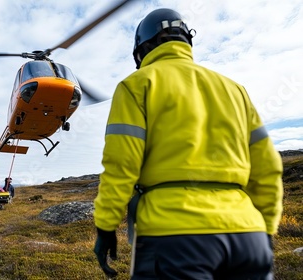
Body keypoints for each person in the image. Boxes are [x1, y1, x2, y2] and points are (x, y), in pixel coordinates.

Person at [93, 8, 283, 279]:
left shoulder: (136, 85)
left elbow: (121, 166)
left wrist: (105, 226)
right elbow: (267, 168)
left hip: (174, 236)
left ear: (143, 47)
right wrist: (265, 229)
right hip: (247, 237)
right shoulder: (234, 89)